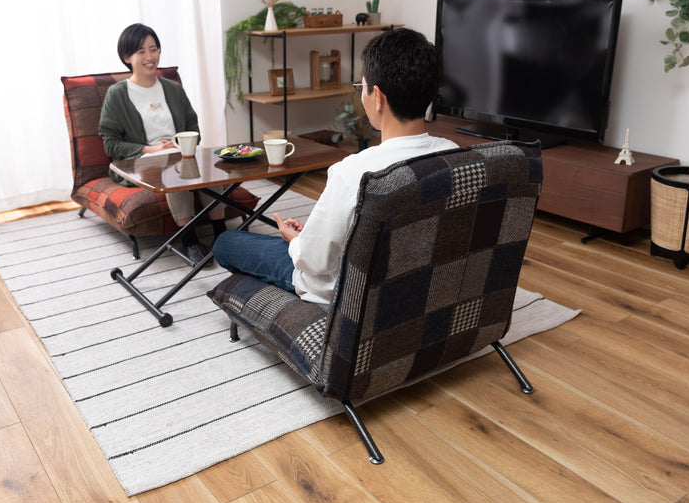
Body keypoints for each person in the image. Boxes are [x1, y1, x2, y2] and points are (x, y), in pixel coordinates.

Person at [213, 27, 458, 304]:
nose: (361, 96)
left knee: (227, 243)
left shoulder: (353, 172)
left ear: (377, 97)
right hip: (415, 283)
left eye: (361, 87)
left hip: (344, 292)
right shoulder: (453, 155)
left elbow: (314, 262)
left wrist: (294, 241)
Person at [99, 23, 225, 263]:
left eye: (154, 49)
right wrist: (151, 149)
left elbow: (192, 125)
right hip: (142, 160)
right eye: (141, 51)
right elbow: (110, 143)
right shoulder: (117, 94)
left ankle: (221, 236)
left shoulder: (173, 88)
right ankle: (189, 240)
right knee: (173, 170)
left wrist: (184, 145)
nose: (150, 56)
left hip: (180, 153)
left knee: (209, 166)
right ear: (127, 57)